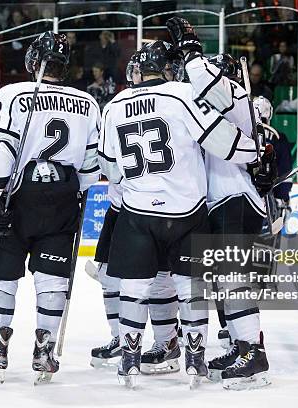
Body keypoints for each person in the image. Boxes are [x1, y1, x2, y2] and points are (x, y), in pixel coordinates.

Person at [99, 39, 252, 389]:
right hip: (187, 211)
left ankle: (129, 358)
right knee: (191, 287)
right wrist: (256, 152)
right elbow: (223, 141)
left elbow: (110, 166)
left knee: (134, 288)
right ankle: (195, 358)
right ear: (169, 68)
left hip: (137, 211)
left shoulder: (116, 104)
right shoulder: (182, 94)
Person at [0, 32, 100, 385]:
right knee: (52, 278)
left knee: (2, 275)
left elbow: (1, 146)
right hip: (62, 197)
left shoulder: (13, 93)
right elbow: (91, 165)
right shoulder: (88, 103)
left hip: (18, 195)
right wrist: (77, 197)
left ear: (34, 61)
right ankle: (45, 349)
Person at [167, 17, 275, 391]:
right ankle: (239, 346)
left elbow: (203, 80)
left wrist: (191, 49)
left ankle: (253, 354)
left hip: (233, 198)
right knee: (222, 283)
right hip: (223, 200)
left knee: (232, 281)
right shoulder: (220, 103)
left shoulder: (227, 90)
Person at [90, 52, 181, 374]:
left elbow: (109, 164)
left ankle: (167, 341)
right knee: (109, 276)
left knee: (160, 279)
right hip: (124, 206)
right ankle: (122, 338)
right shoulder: (123, 104)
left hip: (151, 206)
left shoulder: (173, 100)